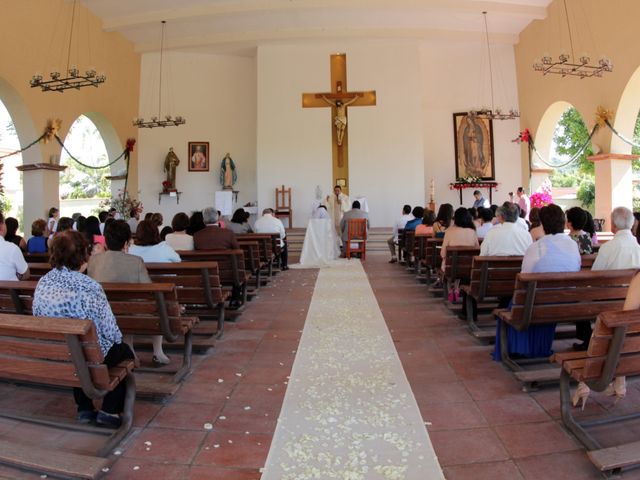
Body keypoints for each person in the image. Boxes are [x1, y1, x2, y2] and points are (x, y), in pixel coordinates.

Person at [32, 230, 132, 428]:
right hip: (89, 354)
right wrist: (119, 342)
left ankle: (85, 409)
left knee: (75, 352)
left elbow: (37, 316)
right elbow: (110, 330)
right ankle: (109, 411)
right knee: (122, 352)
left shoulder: (44, 282)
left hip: (57, 352)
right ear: (83, 256)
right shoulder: (90, 287)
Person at [493, 204, 580, 361]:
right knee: (535, 300)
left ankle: (520, 348)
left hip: (537, 303)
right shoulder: (573, 245)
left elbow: (524, 277)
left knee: (519, 304)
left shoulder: (537, 247)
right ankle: (540, 345)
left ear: (543, 224)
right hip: (566, 302)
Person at [89, 220, 171, 367]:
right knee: (152, 306)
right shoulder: (136, 261)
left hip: (104, 315)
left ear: (106, 240)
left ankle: (131, 351)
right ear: (127, 242)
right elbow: (149, 291)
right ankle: (158, 352)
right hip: (132, 314)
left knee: (124, 307)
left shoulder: (93, 261)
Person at [574, 207, 640, 351]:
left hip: (608, 300)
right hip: (634, 302)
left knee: (580, 298)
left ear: (614, 226)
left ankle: (587, 340)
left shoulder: (608, 248)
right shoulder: (638, 247)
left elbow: (594, 277)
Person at [0, 212, 29, 281]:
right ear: (1, 226)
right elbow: (26, 274)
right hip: (8, 291)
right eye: (4, 223)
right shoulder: (12, 248)